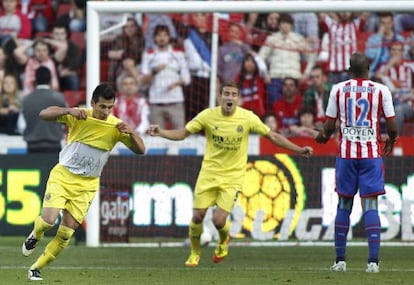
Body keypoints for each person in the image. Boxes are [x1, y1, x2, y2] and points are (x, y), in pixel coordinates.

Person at [148, 81, 313, 268]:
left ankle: (224, 241)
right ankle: (194, 253)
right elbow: (183, 133)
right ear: (220, 97)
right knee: (198, 217)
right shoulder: (207, 116)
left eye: (234, 94)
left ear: (238, 98)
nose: (229, 97)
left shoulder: (247, 118)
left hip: (233, 176)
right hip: (209, 173)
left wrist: (299, 150)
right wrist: (161, 131)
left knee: (219, 220)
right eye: (226, 93)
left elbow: (273, 136)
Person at [21, 82, 146, 281]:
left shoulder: (116, 126)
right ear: (93, 103)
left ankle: (36, 268)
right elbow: (44, 114)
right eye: (102, 106)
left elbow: (141, 150)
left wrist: (132, 132)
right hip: (64, 176)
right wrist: (68, 110)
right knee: (48, 222)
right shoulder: (80, 116)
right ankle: (35, 235)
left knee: (65, 234)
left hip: (87, 185)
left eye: (109, 107)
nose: (105, 111)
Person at [315, 53, 398, 273]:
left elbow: (330, 125)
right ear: (368, 68)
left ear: (349, 69)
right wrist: (392, 140)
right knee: (370, 205)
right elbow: (392, 125)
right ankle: (373, 263)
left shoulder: (338, 89)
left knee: (344, 204)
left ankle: (340, 261)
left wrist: (323, 136)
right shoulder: (381, 90)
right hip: (371, 155)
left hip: (346, 155)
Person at [19, 66, 66, 154]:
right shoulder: (59, 98)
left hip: (32, 146)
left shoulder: (26, 99)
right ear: (50, 79)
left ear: (35, 80)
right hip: (54, 145)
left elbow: (21, 125)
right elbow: (65, 122)